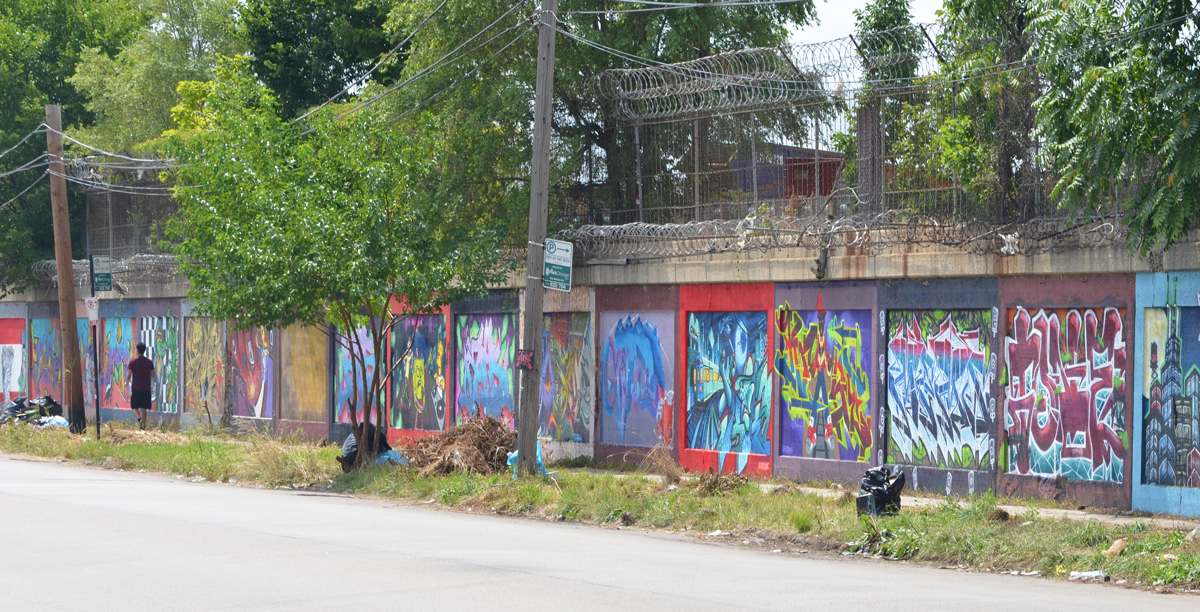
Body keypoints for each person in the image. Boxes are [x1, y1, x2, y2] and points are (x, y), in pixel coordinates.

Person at [127, 342, 155, 429]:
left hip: (136, 388)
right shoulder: (149, 362)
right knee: (144, 408)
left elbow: (129, 374)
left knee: (134, 407)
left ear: (137, 350)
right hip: (146, 388)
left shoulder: (133, 362)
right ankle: (143, 426)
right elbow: (153, 375)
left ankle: (140, 420)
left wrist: (127, 382)